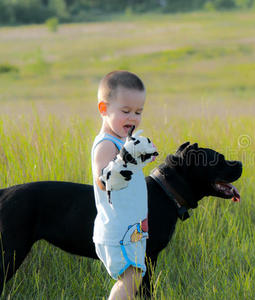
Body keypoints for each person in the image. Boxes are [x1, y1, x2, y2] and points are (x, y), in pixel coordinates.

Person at [91, 70, 154, 300]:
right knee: (131, 280)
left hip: (131, 230)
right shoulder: (106, 144)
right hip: (118, 231)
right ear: (104, 109)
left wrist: (138, 155)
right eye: (125, 111)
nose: (133, 118)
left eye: (139, 112)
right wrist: (127, 158)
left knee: (133, 279)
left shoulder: (122, 141)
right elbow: (103, 181)